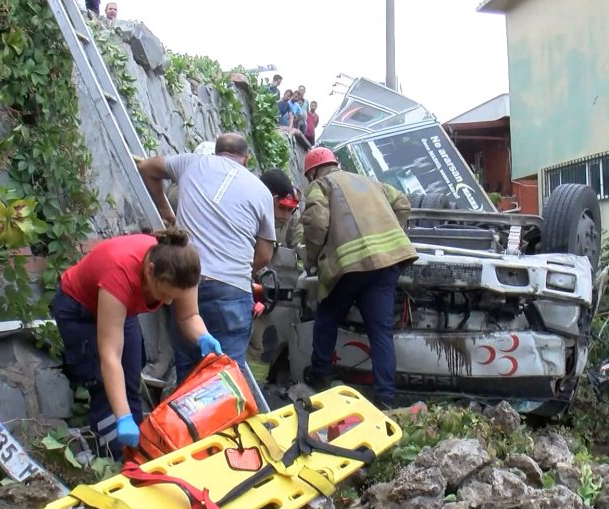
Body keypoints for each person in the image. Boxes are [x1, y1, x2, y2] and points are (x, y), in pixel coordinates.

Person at [50, 229, 221, 460]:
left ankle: (138, 458)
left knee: (130, 380)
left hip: (123, 307)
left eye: (174, 297)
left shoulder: (183, 267)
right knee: (105, 388)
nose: (168, 302)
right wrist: (122, 418)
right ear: (149, 271)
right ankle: (113, 464)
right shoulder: (119, 272)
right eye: (163, 293)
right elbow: (110, 355)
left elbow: (189, 316)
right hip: (80, 311)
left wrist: (203, 337)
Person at [137, 133, 276, 383]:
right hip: (232, 291)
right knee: (227, 377)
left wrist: (164, 209)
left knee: (188, 372)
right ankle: (226, 421)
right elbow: (265, 254)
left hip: (187, 279)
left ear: (216, 152)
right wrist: (240, 269)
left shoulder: (192, 163)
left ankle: (188, 419)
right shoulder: (262, 192)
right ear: (246, 159)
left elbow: (147, 168)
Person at [300, 147, 417, 409]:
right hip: (387, 264)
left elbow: (316, 223)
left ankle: (319, 376)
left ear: (313, 172)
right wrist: (395, 232)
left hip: (350, 266)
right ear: (335, 163)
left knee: (327, 316)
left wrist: (313, 259)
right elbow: (402, 203)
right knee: (381, 332)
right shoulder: (370, 182)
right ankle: (385, 399)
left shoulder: (322, 185)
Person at [247, 169, 304, 365]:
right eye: (282, 208)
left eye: (291, 210)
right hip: (247, 285)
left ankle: (256, 388)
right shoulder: (252, 213)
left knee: (262, 345)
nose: (286, 215)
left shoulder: (290, 218)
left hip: (265, 292)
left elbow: (299, 240)